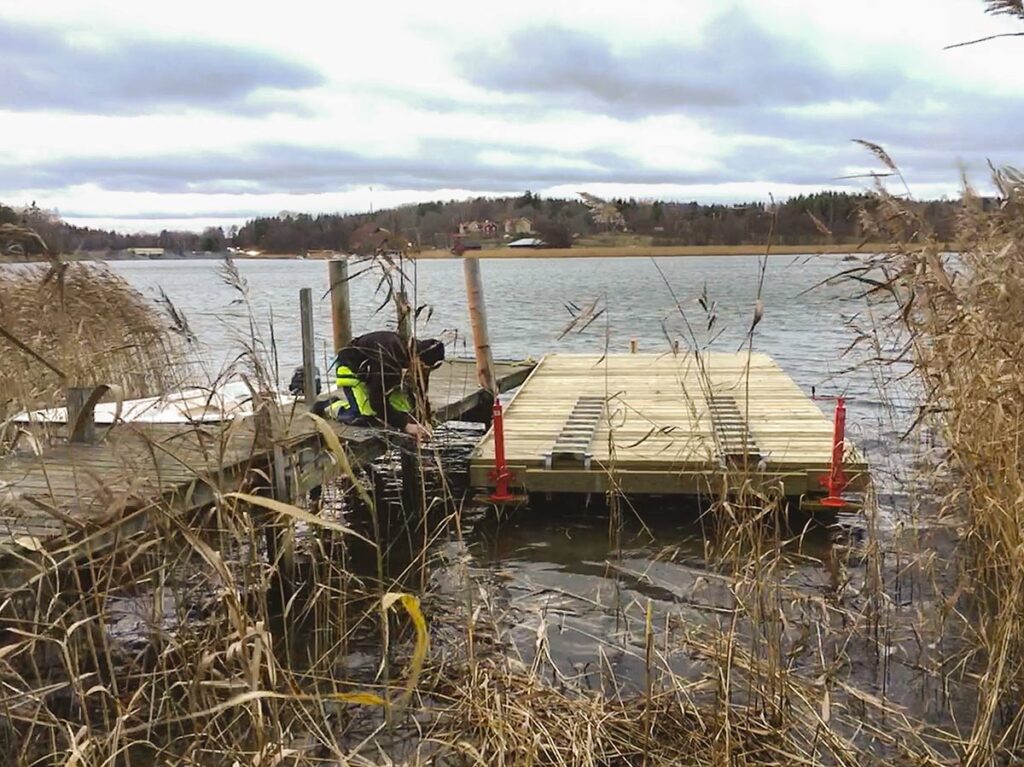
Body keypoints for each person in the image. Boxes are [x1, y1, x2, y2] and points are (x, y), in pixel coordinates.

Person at [319, 331, 445, 440]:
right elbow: (376, 401)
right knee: (367, 418)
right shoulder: (388, 359)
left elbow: (419, 393)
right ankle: (331, 406)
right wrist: (405, 426)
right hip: (351, 368)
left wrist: (424, 418)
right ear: (417, 359)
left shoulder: (416, 352)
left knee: (405, 410)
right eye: (423, 368)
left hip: (375, 372)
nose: (423, 372)